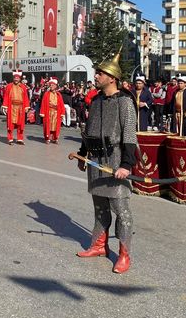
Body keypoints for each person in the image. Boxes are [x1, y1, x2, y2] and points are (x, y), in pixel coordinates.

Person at [74, 53, 137, 274]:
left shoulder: (125, 102)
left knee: (121, 210)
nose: (96, 76)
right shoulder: (96, 100)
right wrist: (83, 154)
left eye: (100, 73)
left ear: (112, 78)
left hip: (116, 162)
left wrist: (127, 165)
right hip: (95, 162)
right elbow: (90, 131)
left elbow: (129, 136)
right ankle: (99, 245)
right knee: (100, 207)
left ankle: (124, 254)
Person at [1, 71, 30, 145]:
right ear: (13, 78)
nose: (16, 79)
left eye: (17, 78)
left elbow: (26, 97)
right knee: (11, 124)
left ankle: (20, 139)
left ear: (19, 79)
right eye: (15, 78)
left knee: (20, 124)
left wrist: (27, 106)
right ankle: (10, 138)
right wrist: (5, 106)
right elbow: (6, 96)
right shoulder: (9, 86)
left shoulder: (23, 87)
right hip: (12, 107)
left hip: (21, 107)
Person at [40, 77, 65, 144]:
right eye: (50, 85)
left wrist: (62, 112)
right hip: (49, 112)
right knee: (48, 125)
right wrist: (42, 112)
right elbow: (43, 103)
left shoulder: (58, 94)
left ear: (56, 86)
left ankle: (55, 138)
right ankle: (47, 138)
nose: (51, 86)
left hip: (57, 112)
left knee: (55, 126)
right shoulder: (46, 94)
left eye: (53, 85)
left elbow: (61, 104)